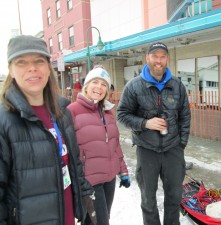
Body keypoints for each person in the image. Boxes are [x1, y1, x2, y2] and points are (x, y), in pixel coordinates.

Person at [0, 35, 96, 225]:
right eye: (21, 62)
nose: (32, 68)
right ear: (11, 70)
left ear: (48, 68)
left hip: (67, 217)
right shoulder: (4, 121)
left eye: (39, 61)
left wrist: (85, 200)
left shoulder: (62, 113)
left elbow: (74, 163)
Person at [117, 42, 191, 225]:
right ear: (147, 58)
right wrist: (145, 123)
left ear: (167, 59)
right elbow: (122, 114)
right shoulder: (134, 86)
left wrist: (181, 143)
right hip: (146, 149)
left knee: (174, 197)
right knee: (148, 199)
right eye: (155, 56)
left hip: (173, 149)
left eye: (162, 56)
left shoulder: (177, 85)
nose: (159, 60)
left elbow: (185, 116)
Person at [67, 66, 130, 225]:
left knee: (101, 220)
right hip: (89, 182)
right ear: (86, 86)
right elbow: (67, 149)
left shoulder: (108, 113)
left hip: (109, 180)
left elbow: (115, 145)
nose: (99, 87)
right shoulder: (72, 111)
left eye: (104, 85)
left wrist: (123, 171)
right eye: (95, 82)